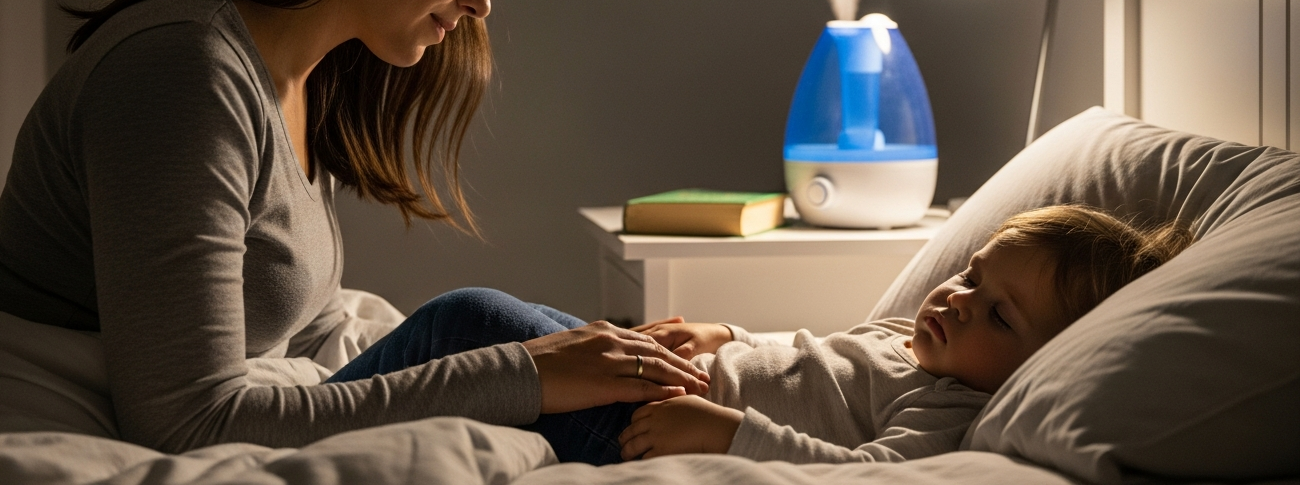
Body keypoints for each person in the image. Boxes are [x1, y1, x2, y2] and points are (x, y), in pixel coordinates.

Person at [0, 0, 707, 454]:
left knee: (515, 335)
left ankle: (726, 403)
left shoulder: (296, 75)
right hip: (82, 413)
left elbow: (306, 340)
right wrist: (522, 373)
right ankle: (729, 432)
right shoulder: (182, 70)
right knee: (474, 324)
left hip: (246, 399)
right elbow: (187, 419)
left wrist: (543, 359)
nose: (482, 1)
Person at [338, 204, 1194, 465]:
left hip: (649, 422)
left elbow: (868, 474)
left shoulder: (945, 407)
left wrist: (726, 433)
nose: (960, 300)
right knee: (473, 324)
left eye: (999, 314)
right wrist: (727, 332)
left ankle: (319, 412)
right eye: (971, 276)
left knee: (474, 319)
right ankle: (326, 406)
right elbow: (810, 351)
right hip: (667, 374)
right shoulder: (915, 334)